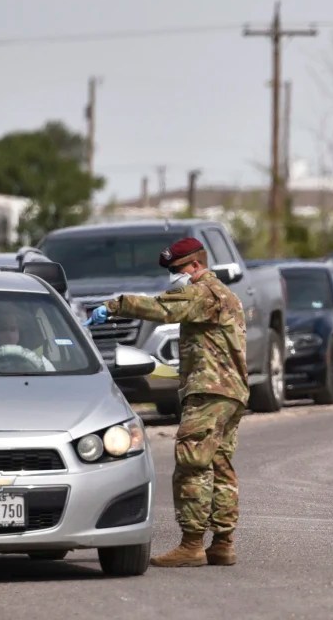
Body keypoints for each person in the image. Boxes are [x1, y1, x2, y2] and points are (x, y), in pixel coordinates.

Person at [85, 237, 249, 568]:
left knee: (191, 464)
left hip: (209, 391)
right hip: (231, 393)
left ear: (196, 266)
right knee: (219, 466)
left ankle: (192, 545)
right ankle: (222, 543)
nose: (173, 277)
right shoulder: (226, 295)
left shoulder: (203, 292)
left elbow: (163, 308)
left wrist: (115, 305)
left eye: (177, 270)